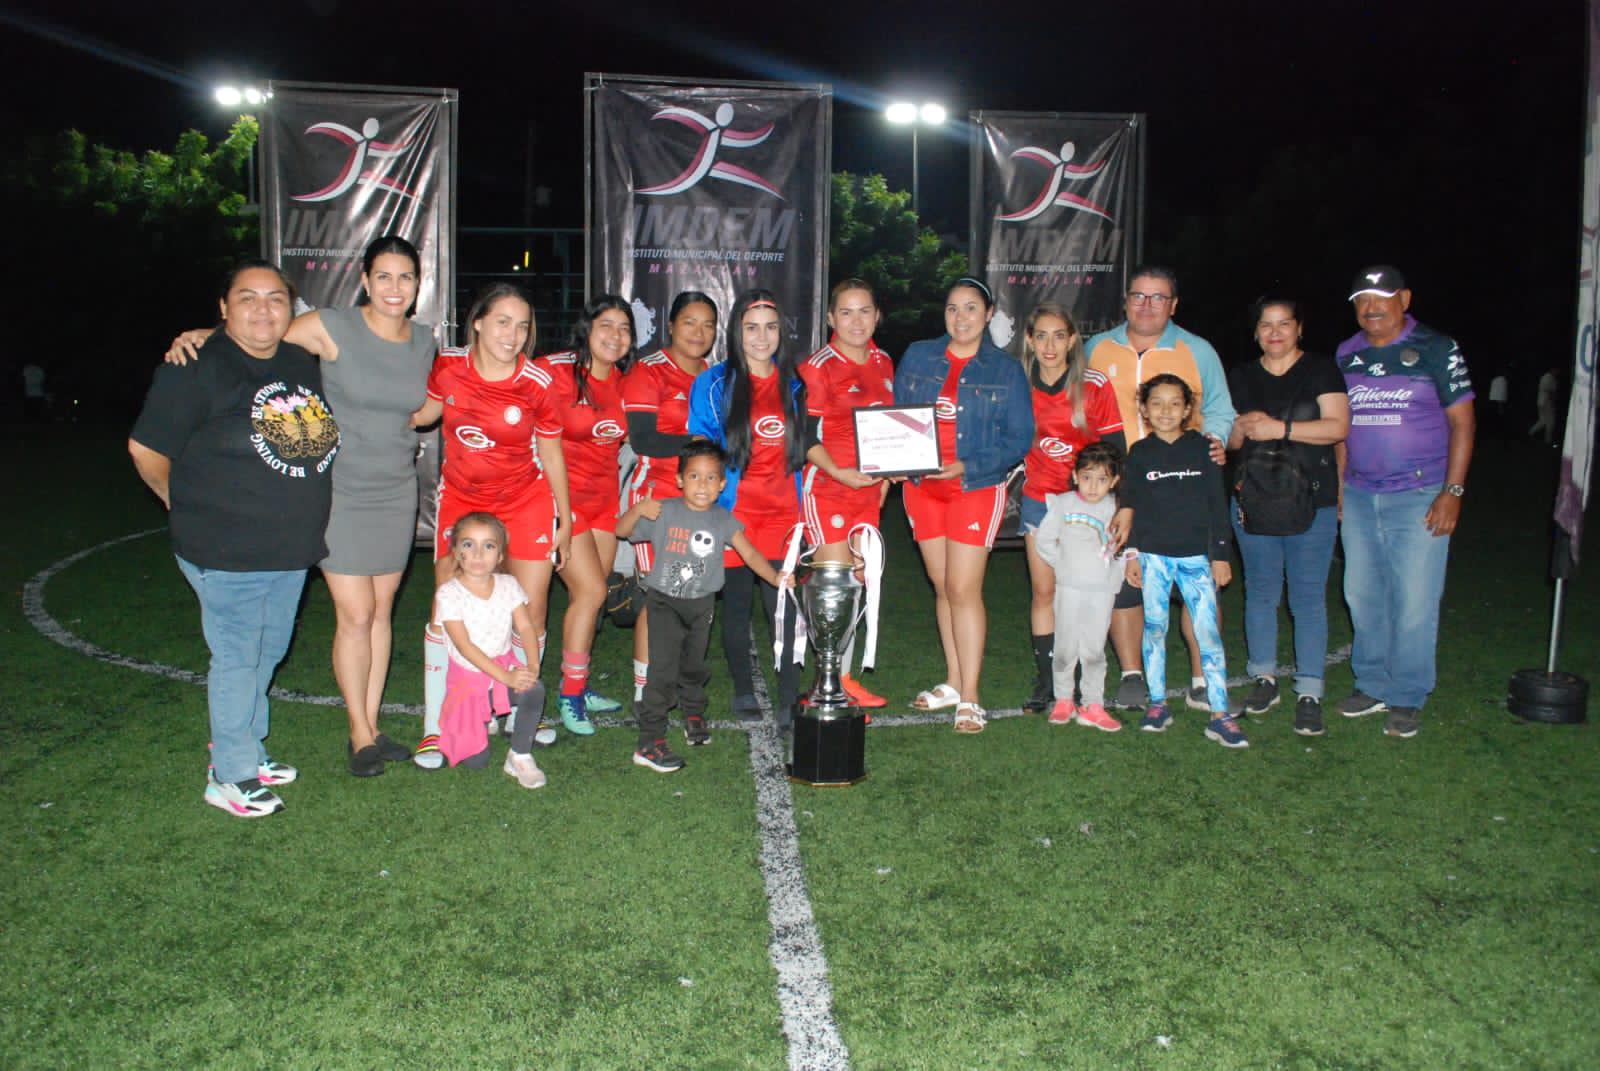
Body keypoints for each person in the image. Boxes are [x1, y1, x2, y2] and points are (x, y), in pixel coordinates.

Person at [165, 235, 437, 777]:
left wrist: (423, 418)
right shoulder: (331, 326)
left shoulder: (426, 340)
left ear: (417, 284)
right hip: (339, 490)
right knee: (355, 616)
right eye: (383, 276)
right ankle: (358, 733)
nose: (394, 288)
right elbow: (255, 338)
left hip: (396, 489)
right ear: (364, 280)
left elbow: (431, 404)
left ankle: (374, 723)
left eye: (404, 277)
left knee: (382, 615)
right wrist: (204, 336)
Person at [129, 259, 340, 817]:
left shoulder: (300, 362)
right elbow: (146, 449)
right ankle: (230, 773)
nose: (263, 309)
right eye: (247, 298)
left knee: (267, 653)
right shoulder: (195, 366)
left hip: (289, 545)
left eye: (275, 298)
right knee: (239, 656)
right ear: (223, 309)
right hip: (224, 548)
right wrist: (184, 503)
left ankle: (247, 746)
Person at [409, 284, 573, 761]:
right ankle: (436, 724)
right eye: (503, 321)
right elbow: (422, 415)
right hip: (463, 500)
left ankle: (520, 706)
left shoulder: (538, 382)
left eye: (523, 325)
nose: (514, 334)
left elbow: (551, 451)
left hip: (525, 501)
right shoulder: (449, 366)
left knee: (532, 609)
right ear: (477, 322)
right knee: (445, 608)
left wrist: (564, 517)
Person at [1087, 266, 1235, 713]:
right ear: (1125, 300)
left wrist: (1215, 447)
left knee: (1198, 580)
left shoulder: (1197, 350)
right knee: (1124, 580)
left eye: (1158, 297)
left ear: (1173, 304)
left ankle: (1199, 676)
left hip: (1184, 486)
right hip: (1118, 488)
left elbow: (1220, 410)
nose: (1147, 305)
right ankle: (1133, 674)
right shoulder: (1098, 348)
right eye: (1138, 296)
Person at [1336, 265, 1474, 738]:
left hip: (1419, 493)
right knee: (1361, 593)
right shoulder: (1347, 354)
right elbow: (1339, 428)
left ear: (1405, 299)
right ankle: (1372, 684)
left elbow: (1463, 424)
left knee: (1415, 598)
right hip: (1357, 494)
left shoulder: (1437, 348)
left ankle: (1408, 694)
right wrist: (1338, 488)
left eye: (1381, 297)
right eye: (1362, 300)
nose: (1371, 308)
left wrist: (1452, 492)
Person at [893, 277, 1034, 733]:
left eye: (971, 308)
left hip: (974, 486)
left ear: (989, 313)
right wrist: (897, 460)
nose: (961, 318)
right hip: (923, 489)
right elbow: (898, 417)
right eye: (953, 308)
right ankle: (953, 681)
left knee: (963, 589)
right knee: (942, 587)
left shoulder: (1005, 370)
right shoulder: (918, 355)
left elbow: (1019, 439)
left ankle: (971, 697)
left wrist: (965, 465)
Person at [616, 441, 791, 772]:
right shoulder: (664, 510)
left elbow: (750, 554)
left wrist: (775, 577)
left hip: (702, 604)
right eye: (694, 476)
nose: (703, 484)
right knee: (663, 671)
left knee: (694, 665)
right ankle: (649, 742)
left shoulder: (722, 520)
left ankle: (693, 712)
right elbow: (621, 531)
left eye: (711, 478)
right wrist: (638, 509)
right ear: (680, 479)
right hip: (664, 603)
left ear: (722, 484)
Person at [1227, 298, 1349, 736]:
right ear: (1255, 331)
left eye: (1283, 324)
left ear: (1299, 328)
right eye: (1265, 325)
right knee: (1260, 591)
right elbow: (1230, 444)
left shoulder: (1320, 370)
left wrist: (1281, 428)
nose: (1274, 333)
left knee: (1307, 597)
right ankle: (1264, 678)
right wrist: (1241, 426)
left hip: (1311, 501)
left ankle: (1310, 691)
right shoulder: (1240, 375)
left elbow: (1338, 427)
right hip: (1255, 499)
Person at [687, 289, 807, 728]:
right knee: (736, 607)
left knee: (785, 607)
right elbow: (699, 446)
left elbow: (806, 446)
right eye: (751, 327)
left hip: (785, 517)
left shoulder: (793, 382)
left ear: (781, 332)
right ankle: (742, 689)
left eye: (770, 327)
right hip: (734, 517)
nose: (761, 337)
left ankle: (789, 698)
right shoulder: (714, 382)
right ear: (737, 332)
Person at [1119, 375, 1245, 747]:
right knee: (1154, 630)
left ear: (1189, 409)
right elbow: (1132, 508)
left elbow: (1217, 507)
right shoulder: (1139, 453)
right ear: (1143, 409)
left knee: (1208, 634)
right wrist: (1132, 554)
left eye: (1175, 403)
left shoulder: (1205, 449)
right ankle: (1158, 704)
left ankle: (1220, 714)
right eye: (1156, 403)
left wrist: (1220, 555)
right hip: (1154, 558)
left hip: (1196, 559)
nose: (1166, 411)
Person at [1017, 302, 1125, 713]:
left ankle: (1082, 676)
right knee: (1045, 591)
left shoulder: (1093, 384)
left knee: (1080, 592)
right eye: (1041, 335)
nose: (1049, 345)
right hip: (1040, 503)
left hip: (1089, 508)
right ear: (1029, 339)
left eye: (1058, 335)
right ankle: (1048, 679)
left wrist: (1120, 505)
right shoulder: (1018, 384)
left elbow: (1117, 451)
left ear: (1072, 339)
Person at [797, 279, 896, 709]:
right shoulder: (819, 365)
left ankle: (844, 678)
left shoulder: (883, 361)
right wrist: (840, 473)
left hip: (867, 493)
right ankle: (825, 685)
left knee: (859, 580)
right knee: (833, 584)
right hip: (830, 488)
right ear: (831, 318)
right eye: (847, 312)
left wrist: (885, 484)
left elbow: (892, 431)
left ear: (877, 315)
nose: (857, 321)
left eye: (865, 311)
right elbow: (802, 435)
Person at [537, 297, 635, 732]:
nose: (615, 335)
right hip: (561, 505)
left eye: (624, 329)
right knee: (592, 592)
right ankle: (570, 695)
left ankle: (580, 680)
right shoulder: (559, 373)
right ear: (587, 329)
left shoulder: (627, 382)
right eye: (606, 325)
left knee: (591, 600)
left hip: (604, 506)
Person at [623, 292, 717, 707]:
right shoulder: (650, 372)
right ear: (672, 326)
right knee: (661, 597)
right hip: (656, 500)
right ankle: (646, 690)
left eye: (708, 325)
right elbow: (642, 438)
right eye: (689, 322)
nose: (699, 333)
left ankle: (669, 676)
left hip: (699, 502)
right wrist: (695, 443)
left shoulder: (714, 374)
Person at [431, 512, 547, 788]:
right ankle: (482, 716)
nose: (478, 554)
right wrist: (505, 677)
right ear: (457, 553)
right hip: (468, 681)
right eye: (469, 545)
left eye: (489, 546)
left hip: (501, 668)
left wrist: (532, 666)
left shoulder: (508, 585)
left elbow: (526, 627)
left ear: (500, 555)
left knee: (534, 688)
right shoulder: (449, 594)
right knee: (476, 762)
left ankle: (519, 755)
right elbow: (465, 646)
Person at [1033, 442, 1126, 732]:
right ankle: (1063, 699)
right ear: (1075, 476)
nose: (1093, 486)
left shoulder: (1116, 509)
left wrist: (1116, 576)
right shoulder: (1062, 504)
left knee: (1094, 649)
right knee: (1064, 647)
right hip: (1069, 588)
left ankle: (1093, 703)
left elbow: (1124, 547)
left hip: (1101, 591)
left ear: (1114, 481)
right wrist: (1061, 564)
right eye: (1086, 477)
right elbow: (1044, 540)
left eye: (1102, 479)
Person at [1529, 365, 1559, 445]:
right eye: (1557, 370)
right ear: (1553, 369)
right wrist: (1553, 403)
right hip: (1547, 402)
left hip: (1540, 401)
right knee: (1551, 422)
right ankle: (1548, 440)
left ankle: (1531, 432)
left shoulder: (1544, 377)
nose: (1558, 372)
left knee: (1543, 420)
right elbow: (1550, 392)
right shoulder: (1551, 378)